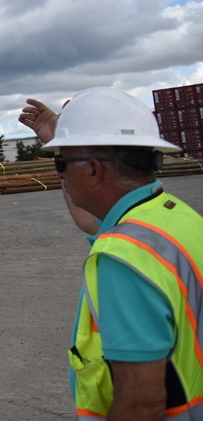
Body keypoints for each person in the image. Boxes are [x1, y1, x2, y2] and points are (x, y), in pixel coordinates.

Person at [19, 87, 203, 420]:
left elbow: (141, 404)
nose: (58, 172)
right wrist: (62, 141)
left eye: (60, 162)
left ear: (93, 170)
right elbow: (88, 218)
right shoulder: (172, 216)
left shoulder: (124, 257)